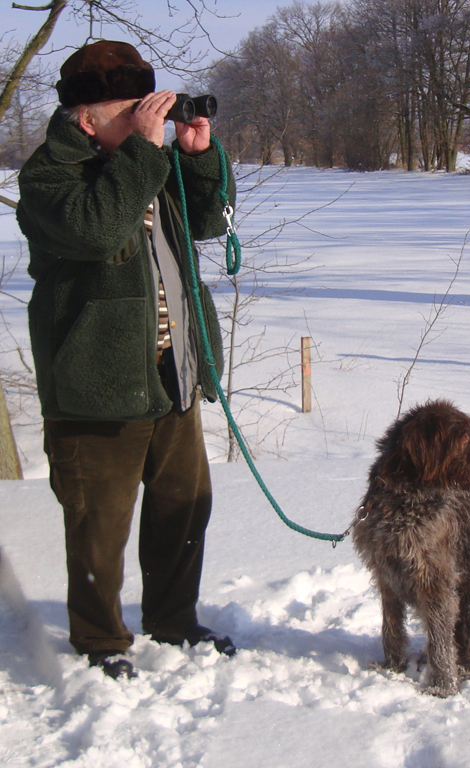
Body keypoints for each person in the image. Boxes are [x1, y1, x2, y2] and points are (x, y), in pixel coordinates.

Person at [16, 40, 236, 680]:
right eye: (132, 109)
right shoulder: (48, 177)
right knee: (98, 528)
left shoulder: (145, 161)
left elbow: (209, 224)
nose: (150, 118)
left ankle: (173, 620)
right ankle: (99, 641)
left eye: (151, 106)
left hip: (173, 376)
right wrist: (145, 151)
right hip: (97, 390)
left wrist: (196, 158)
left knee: (183, 509)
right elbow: (97, 231)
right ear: (86, 119)